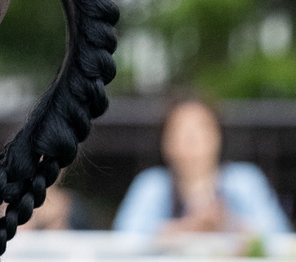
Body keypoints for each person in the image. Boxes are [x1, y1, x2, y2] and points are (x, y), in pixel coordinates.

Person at [114, 96, 291, 238]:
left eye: (200, 130)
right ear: (165, 142)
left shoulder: (245, 181)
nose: (191, 139)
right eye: (180, 131)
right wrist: (184, 229)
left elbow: (279, 238)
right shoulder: (152, 185)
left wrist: (228, 224)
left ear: (218, 136)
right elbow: (123, 241)